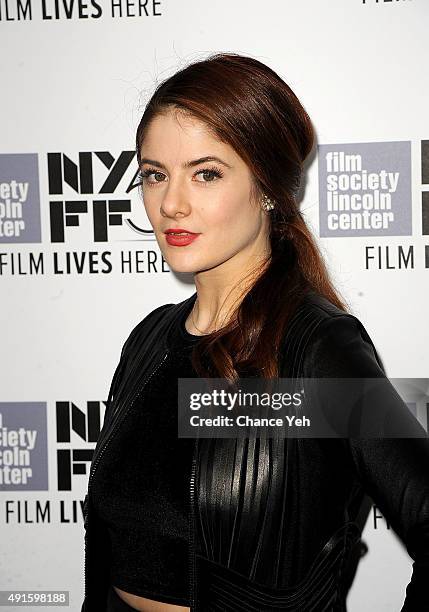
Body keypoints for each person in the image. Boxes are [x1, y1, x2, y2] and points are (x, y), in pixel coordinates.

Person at [81, 52, 429, 612]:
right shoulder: (149, 341)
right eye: (154, 175)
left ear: (266, 187)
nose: (170, 204)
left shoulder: (316, 349)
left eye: (207, 173)